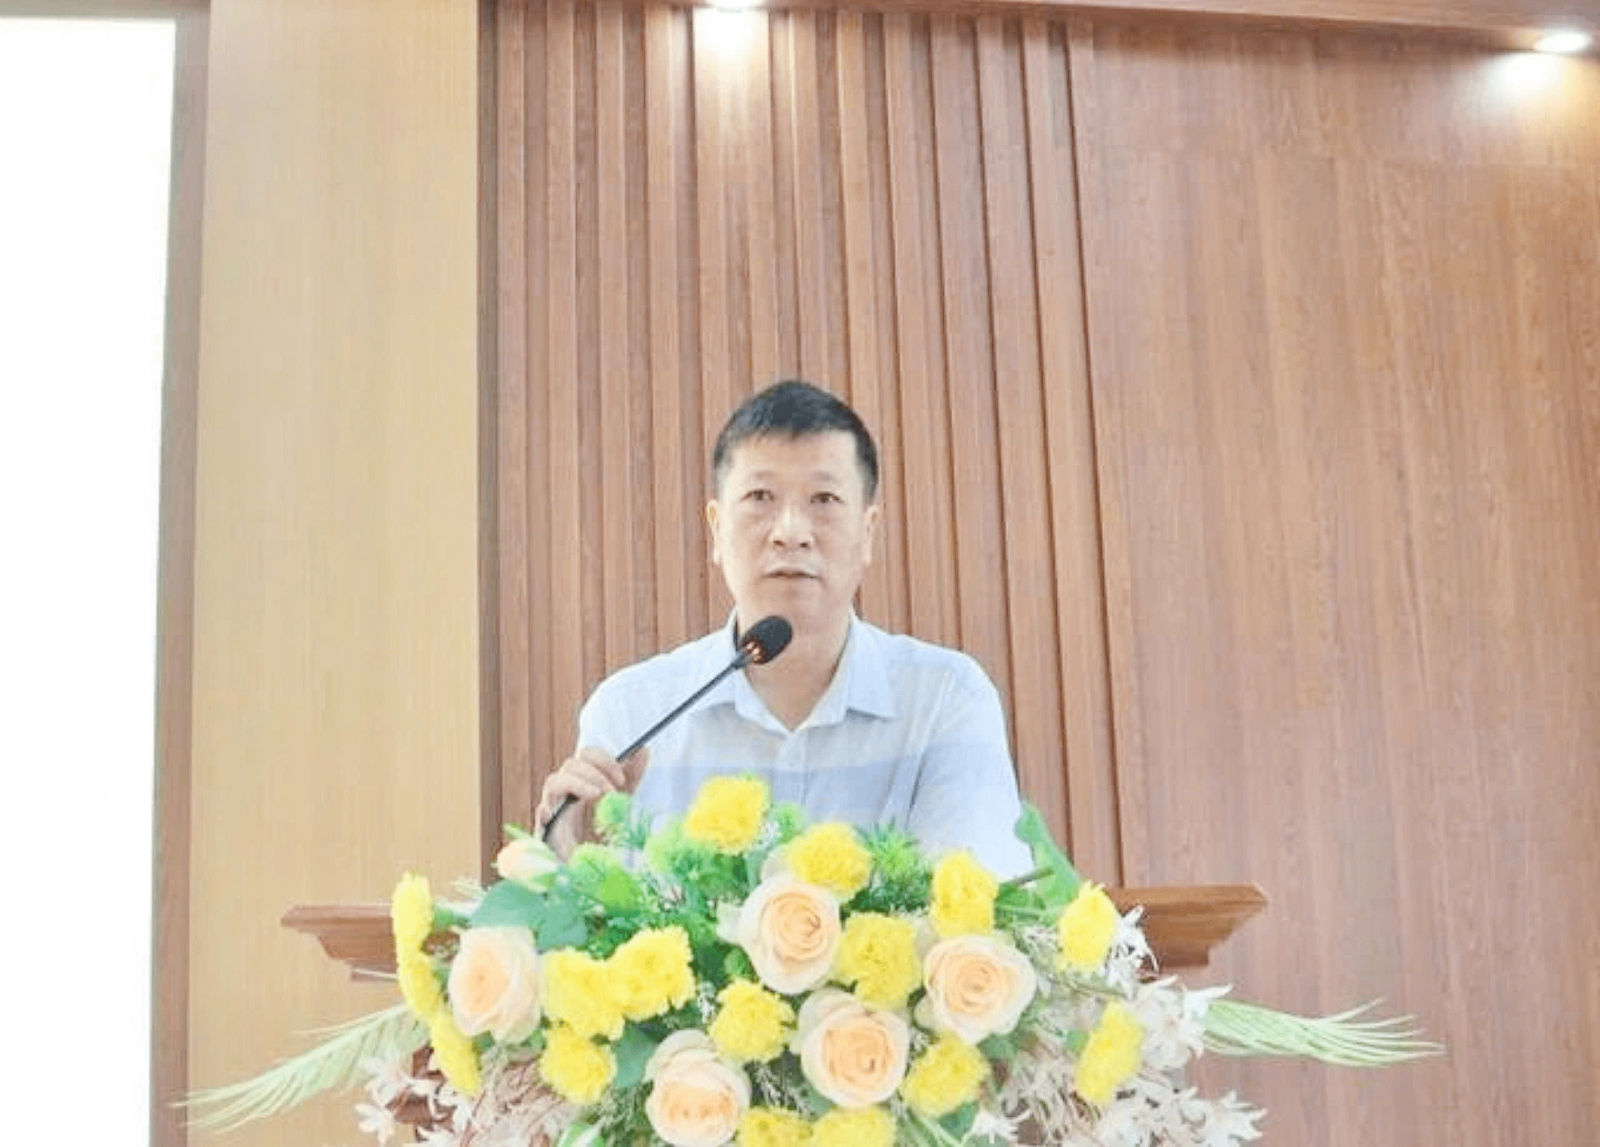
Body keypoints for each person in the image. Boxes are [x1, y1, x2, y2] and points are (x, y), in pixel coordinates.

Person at [536, 379, 1032, 876]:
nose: (790, 532)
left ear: (867, 532)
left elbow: (974, 907)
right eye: (760, 497)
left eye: (824, 499)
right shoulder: (632, 713)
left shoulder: (945, 699)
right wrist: (563, 868)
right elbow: (592, 919)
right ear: (717, 530)